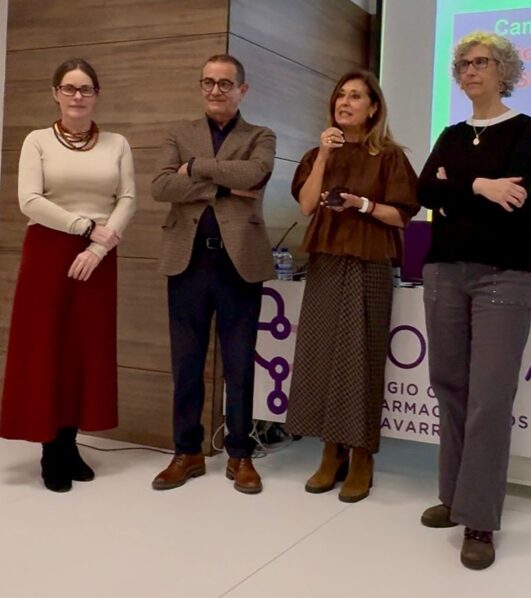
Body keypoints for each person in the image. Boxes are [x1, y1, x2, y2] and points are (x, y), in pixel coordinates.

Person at [416, 31, 531, 570]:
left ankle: (480, 519)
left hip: (502, 275)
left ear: (503, 71)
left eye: (482, 62)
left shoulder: (525, 129)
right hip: (444, 270)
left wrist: (457, 190)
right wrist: (479, 187)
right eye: (464, 63)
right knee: (450, 386)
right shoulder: (449, 134)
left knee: (490, 398)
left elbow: (515, 199)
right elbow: (425, 191)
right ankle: (453, 497)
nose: (470, 71)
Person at [0, 59, 136, 492]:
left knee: (84, 349)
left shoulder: (117, 143)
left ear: (97, 94)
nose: (77, 96)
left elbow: (127, 198)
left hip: (99, 256)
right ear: (55, 93)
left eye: (85, 89)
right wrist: (84, 228)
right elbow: (29, 200)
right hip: (49, 252)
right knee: (47, 347)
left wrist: (98, 247)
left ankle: (70, 443)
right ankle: (50, 450)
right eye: (69, 88)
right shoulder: (37, 140)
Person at [285, 70, 420, 503]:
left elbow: (402, 215)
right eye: (340, 95)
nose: (345, 102)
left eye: (356, 96)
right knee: (322, 355)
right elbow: (307, 205)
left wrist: (362, 204)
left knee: (361, 359)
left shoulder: (390, 157)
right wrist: (324, 156)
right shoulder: (317, 154)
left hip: (370, 262)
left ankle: (362, 455)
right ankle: (331, 451)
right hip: (326, 260)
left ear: (373, 107)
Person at [150, 54, 276, 494]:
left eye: (225, 83)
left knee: (239, 364)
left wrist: (195, 167)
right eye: (208, 82)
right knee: (186, 363)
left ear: (243, 89)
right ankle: (186, 452)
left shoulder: (260, 135)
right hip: (187, 262)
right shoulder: (177, 133)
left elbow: (255, 175)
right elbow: (161, 186)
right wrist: (225, 186)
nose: (215, 90)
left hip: (239, 263)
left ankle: (240, 454)